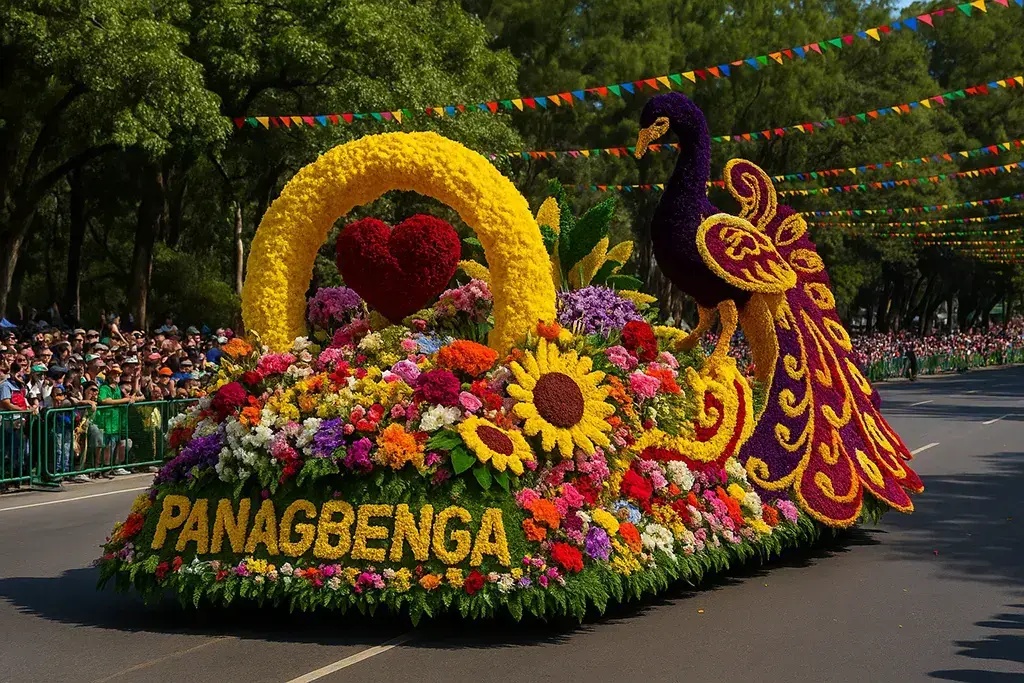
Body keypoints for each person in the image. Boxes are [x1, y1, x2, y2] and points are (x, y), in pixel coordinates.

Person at [96, 365, 133, 476]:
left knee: (115, 443)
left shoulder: (117, 388)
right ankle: (105, 467)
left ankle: (113, 466)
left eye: (118, 374)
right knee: (106, 445)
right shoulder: (104, 388)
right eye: (114, 374)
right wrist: (124, 400)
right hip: (106, 420)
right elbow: (103, 400)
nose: (117, 376)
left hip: (116, 421)